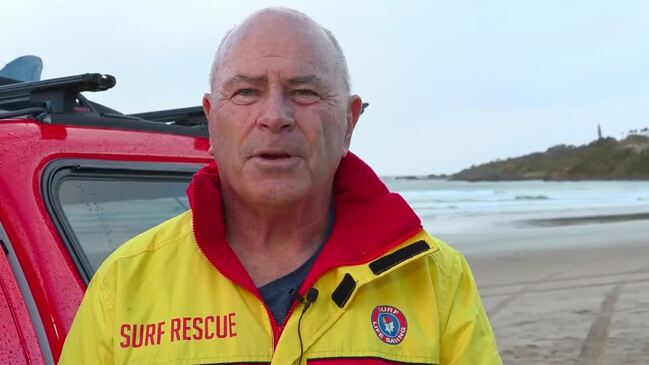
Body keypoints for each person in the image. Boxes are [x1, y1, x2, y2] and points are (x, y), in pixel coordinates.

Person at [59, 8, 501, 365]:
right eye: (247, 92)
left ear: (349, 121)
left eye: (304, 92)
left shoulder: (436, 280)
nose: (275, 116)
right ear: (212, 120)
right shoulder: (122, 286)